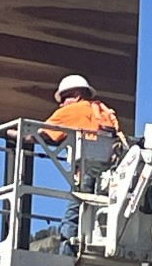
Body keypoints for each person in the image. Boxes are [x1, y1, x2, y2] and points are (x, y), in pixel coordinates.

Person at [40, 74, 124, 255]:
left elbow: (38, 134)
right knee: (95, 216)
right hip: (109, 178)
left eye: (64, 98)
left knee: (73, 216)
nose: (61, 104)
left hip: (86, 172)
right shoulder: (103, 111)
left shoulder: (74, 110)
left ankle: (66, 256)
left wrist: (11, 132)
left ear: (76, 95)